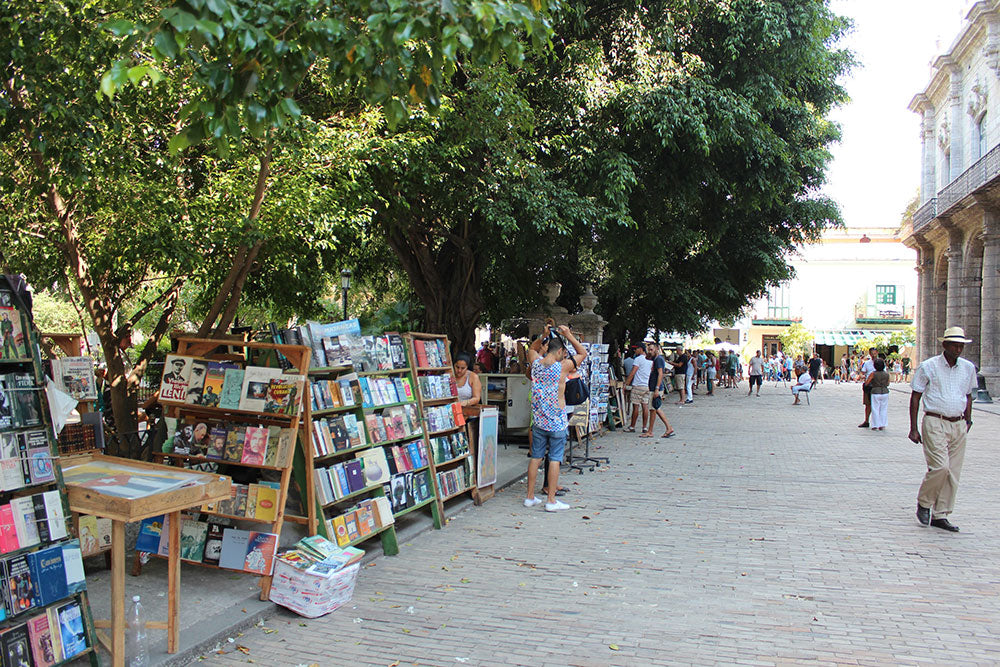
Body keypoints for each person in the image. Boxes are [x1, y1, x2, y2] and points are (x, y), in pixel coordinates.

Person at [908, 327, 978, 533]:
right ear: (944, 345)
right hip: (934, 420)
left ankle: (941, 514)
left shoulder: (967, 368)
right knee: (940, 467)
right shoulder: (928, 366)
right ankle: (924, 502)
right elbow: (915, 396)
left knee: (953, 472)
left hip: (958, 423)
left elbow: (968, 395)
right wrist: (913, 428)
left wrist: (968, 419)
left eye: (961, 345)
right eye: (954, 345)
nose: (958, 349)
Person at [524, 324, 586, 512]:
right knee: (555, 459)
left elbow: (532, 349)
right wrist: (569, 335)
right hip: (557, 420)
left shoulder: (535, 363)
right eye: (562, 352)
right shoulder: (562, 367)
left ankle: (529, 497)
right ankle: (551, 500)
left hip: (539, 419)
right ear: (559, 351)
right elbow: (582, 353)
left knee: (536, 457)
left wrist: (542, 336)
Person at [640, 342, 675, 438]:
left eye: (651, 350)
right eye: (649, 350)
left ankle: (668, 427)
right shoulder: (655, 359)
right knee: (653, 409)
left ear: (656, 349)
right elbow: (647, 358)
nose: (650, 352)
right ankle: (650, 431)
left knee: (656, 408)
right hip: (653, 387)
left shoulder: (659, 359)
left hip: (656, 388)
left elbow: (660, 374)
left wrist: (656, 388)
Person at [624, 345, 654, 430]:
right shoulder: (650, 360)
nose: (635, 351)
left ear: (641, 349)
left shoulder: (638, 359)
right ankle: (644, 427)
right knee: (645, 406)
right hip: (646, 385)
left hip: (638, 385)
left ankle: (632, 426)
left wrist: (626, 384)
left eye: (636, 349)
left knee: (636, 406)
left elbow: (633, 372)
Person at [867, 358, 890, 430]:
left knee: (875, 408)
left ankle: (875, 425)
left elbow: (867, 382)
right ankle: (882, 424)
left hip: (875, 391)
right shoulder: (886, 374)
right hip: (885, 392)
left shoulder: (873, 374)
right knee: (883, 409)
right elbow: (888, 383)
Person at [858, 347, 878, 427]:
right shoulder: (867, 363)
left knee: (877, 404)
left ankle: (877, 422)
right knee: (868, 404)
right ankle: (866, 420)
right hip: (868, 385)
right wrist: (862, 376)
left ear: (877, 352)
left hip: (877, 385)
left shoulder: (880, 362)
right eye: (871, 353)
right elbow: (863, 372)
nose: (873, 355)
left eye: (874, 353)